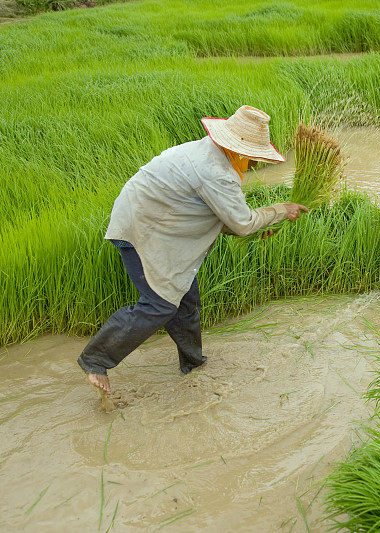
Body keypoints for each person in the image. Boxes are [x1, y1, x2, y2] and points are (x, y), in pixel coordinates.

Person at [77, 105, 308, 395]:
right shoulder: (216, 171)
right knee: (159, 305)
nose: (253, 163)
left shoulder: (209, 152)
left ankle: (193, 365)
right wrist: (280, 210)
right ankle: (95, 359)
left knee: (186, 300)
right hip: (143, 231)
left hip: (160, 227)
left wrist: (254, 226)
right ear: (237, 149)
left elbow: (217, 215)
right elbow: (241, 223)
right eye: (251, 156)